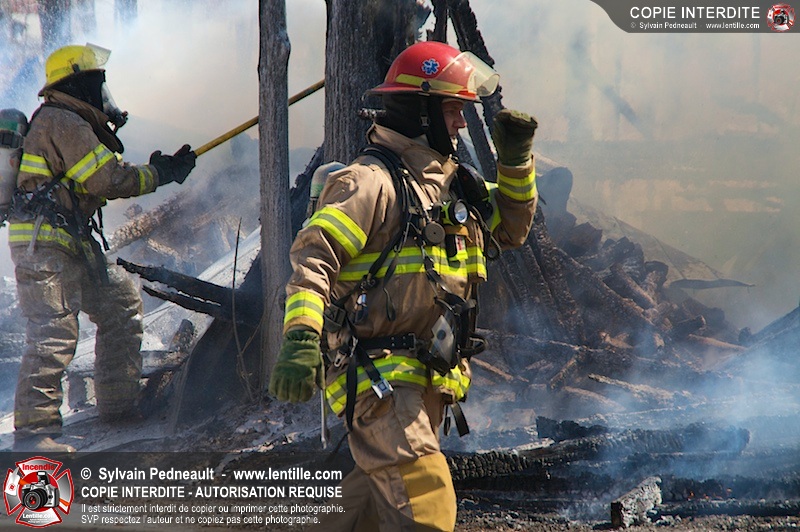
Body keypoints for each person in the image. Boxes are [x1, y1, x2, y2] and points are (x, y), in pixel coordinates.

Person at [270, 40, 538, 531]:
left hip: (427, 380)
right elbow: (313, 258)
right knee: (425, 500)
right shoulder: (368, 182)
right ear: (422, 112)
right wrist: (302, 337)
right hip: (382, 382)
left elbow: (510, 229)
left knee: (366, 511)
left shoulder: (453, 185)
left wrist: (516, 163)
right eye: (453, 111)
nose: (460, 124)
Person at [8, 44, 197, 453]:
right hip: (45, 245)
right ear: (78, 85)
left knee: (119, 304)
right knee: (54, 332)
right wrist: (161, 173)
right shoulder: (61, 120)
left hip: (70, 241)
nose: (103, 94)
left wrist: (158, 170)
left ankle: (118, 404)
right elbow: (108, 179)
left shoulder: (70, 121)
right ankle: (34, 434)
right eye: (97, 83)